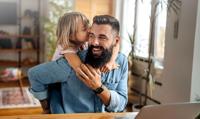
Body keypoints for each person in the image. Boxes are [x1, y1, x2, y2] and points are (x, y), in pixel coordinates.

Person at [28, 15, 128, 114]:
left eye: (102, 37)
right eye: (91, 35)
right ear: (71, 35)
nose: (94, 42)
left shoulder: (121, 61)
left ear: (116, 40)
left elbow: (122, 104)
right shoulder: (70, 57)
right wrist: (45, 106)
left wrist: (100, 86)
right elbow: (35, 74)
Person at [51, 12, 119, 73]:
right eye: (84, 29)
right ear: (71, 36)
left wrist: (111, 62)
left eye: (88, 26)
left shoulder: (83, 42)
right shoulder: (67, 49)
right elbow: (82, 70)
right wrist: (99, 67)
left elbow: (116, 44)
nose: (90, 30)